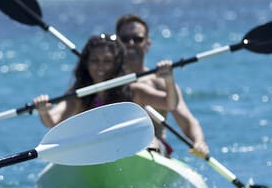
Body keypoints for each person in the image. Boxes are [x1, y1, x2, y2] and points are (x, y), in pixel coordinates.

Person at [31, 34, 177, 129]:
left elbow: (170, 103)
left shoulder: (133, 91)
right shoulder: (78, 94)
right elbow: (54, 121)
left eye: (107, 61)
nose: (100, 67)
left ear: (116, 64)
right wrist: (44, 111)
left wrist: (169, 80)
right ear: (86, 63)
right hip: (94, 152)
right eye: (95, 60)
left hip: (131, 149)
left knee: (154, 143)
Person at [115, 13, 209, 158]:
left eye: (137, 39)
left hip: (152, 149)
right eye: (125, 39)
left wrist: (199, 142)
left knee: (149, 142)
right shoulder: (102, 80)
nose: (131, 44)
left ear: (147, 44)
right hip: (112, 149)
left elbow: (187, 121)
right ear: (117, 43)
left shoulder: (160, 83)